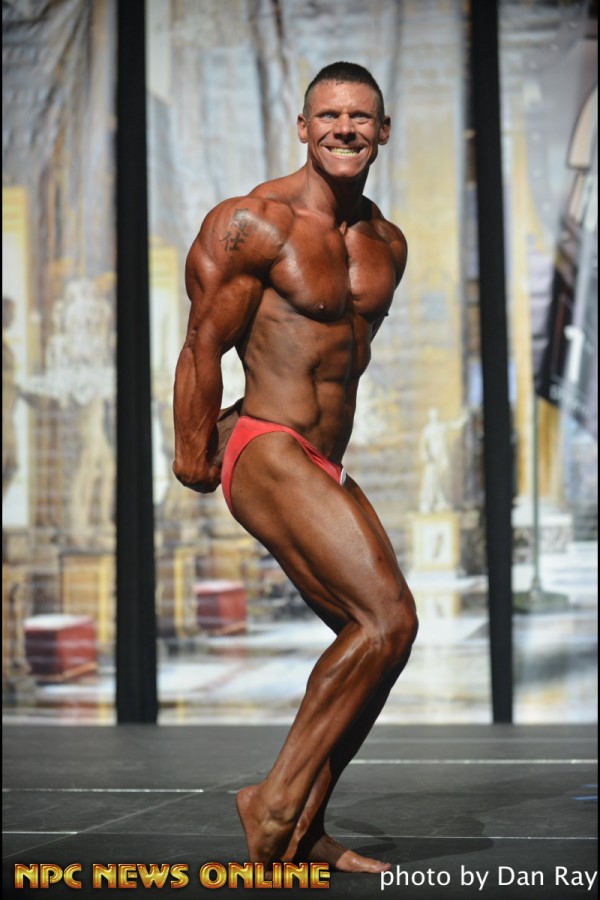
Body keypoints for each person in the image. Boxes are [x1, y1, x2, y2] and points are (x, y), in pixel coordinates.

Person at [173, 61, 418, 874]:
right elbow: (204, 341)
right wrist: (194, 449)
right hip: (266, 444)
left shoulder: (387, 244)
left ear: (383, 132)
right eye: (330, 116)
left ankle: (306, 825)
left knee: (381, 640)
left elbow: (343, 356)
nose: (345, 129)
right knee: (387, 618)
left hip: (322, 460)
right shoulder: (254, 223)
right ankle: (273, 806)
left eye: (361, 117)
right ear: (305, 128)